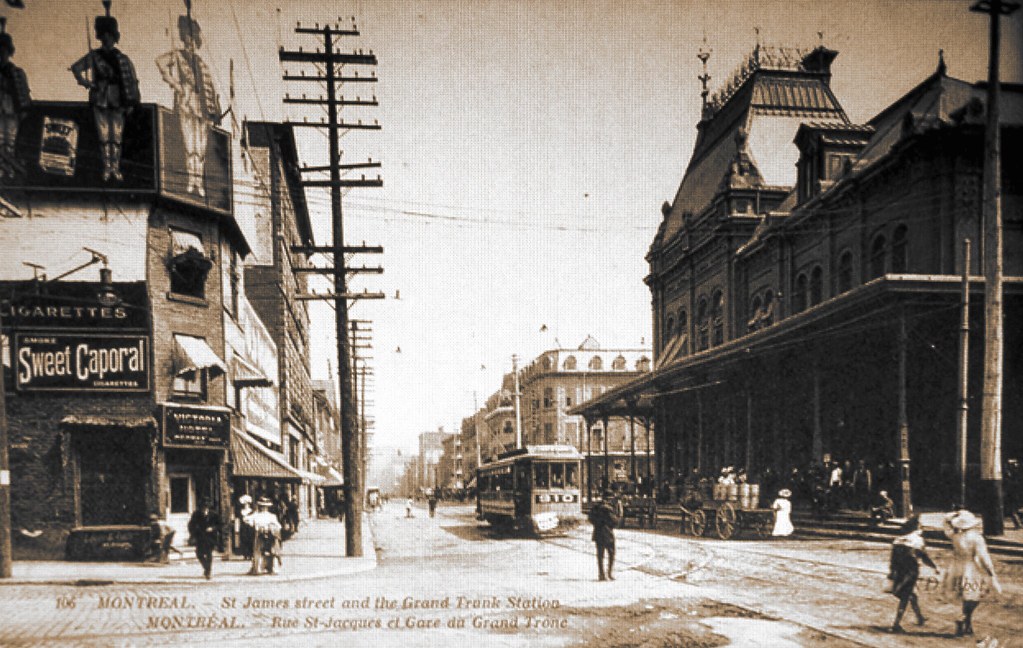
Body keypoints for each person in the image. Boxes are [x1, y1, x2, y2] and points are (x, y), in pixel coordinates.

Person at [69, 0, 140, 182]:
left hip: (118, 98)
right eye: (105, 36)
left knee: (116, 136)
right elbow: (76, 68)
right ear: (102, 37)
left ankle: (115, 168)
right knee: (103, 135)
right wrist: (86, 83)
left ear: (114, 37)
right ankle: (106, 168)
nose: (107, 39)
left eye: (110, 36)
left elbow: (132, 81)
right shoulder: (94, 56)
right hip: (100, 96)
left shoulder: (122, 58)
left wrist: (132, 102)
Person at [155, 13, 221, 196]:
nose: (191, 42)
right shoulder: (178, 55)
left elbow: (210, 89)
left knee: (201, 147)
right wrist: (176, 84)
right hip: (186, 102)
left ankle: (199, 182)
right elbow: (160, 62)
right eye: (188, 38)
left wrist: (215, 109)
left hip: (203, 109)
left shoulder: (202, 63)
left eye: (194, 39)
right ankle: (190, 181)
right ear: (184, 38)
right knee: (189, 144)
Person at [942, 509, 1001, 637]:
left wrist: (953, 516)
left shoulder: (955, 536)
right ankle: (964, 617)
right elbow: (983, 556)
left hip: (956, 568)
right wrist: (990, 571)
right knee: (975, 596)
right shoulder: (976, 538)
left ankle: (967, 624)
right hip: (970, 569)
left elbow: (945, 524)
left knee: (965, 596)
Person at [887, 516, 937, 633]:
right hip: (911, 571)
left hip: (899, 570)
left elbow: (892, 559)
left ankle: (920, 618)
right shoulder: (917, 540)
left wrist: (891, 571)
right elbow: (924, 557)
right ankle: (896, 624)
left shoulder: (898, 540)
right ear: (917, 527)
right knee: (905, 597)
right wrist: (934, 567)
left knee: (911, 595)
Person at [0, 18, 30, 171]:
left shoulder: (17, 73)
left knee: (10, 140)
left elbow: (23, 92)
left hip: (11, 109)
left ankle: (8, 168)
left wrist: (23, 109)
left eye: (3, 52)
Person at [588, 490, 619, 581]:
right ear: (609, 498)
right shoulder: (608, 508)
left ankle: (601, 574)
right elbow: (615, 522)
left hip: (598, 532)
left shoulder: (596, 507)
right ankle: (609, 573)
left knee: (600, 555)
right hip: (608, 533)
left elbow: (590, 518)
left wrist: (597, 524)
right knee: (611, 553)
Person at [187, 498, 221, 580]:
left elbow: (219, 525)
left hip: (210, 537)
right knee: (199, 554)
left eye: (206, 507)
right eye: (203, 507)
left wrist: (212, 528)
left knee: (209, 554)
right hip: (200, 537)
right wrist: (194, 532)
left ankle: (208, 571)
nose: (204, 509)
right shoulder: (196, 514)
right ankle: (206, 567)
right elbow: (190, 525)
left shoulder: (214, 514)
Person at [247, 497, 282, 575]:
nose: (264, 508)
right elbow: (279, 526)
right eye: (263, 507)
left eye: (264, 507)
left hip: (265, 535)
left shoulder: (258, 516)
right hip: (264, 535)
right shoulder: (270, 516)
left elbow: (249, 522)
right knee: (267, 551)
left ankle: (260, 568)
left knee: (260, 551)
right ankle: (267, 568)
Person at [236, 495, 254, 560]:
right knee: (244, 540)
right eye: (245, 504)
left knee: (250, 540)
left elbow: (253, 519)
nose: (246, 505)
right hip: (243, 528)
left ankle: (251, 554)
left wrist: (249, 521)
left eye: (247, 504)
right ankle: (245, 554)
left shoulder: (251, 511)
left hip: (250, 527)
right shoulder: (241, 511)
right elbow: (238, 519)